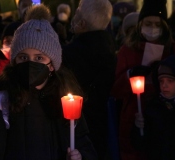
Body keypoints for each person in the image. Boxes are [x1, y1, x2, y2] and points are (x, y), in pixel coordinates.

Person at [0, 4, 97, 160]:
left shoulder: (67, 102)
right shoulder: (1, 103)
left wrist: (81, 157)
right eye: (24, 57)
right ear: (15, 61)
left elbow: (84, 146)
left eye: (39, 58)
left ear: (52, 64)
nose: (30, 64)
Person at [110, 0, 175, 159]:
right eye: (148, 23)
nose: (152, 28)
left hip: (164, 123)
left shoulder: (171, 50)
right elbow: (115, 90)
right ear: (140, 24)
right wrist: (130, 74)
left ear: (164, 27)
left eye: (157, 24)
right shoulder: (128, 50)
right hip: (133, 119)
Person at [62, 0, 117, 159]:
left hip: (78, 124)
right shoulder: (110, 48)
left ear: (83, 23)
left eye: (78, 11)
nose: (75, 15)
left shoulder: (72, 53)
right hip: (103, 122)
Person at [131, 55, 175, 160]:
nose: (164, 85)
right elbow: (140, 145)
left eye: (170, 81)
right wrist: (138, 128)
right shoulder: (153, 108)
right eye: (161, 81)